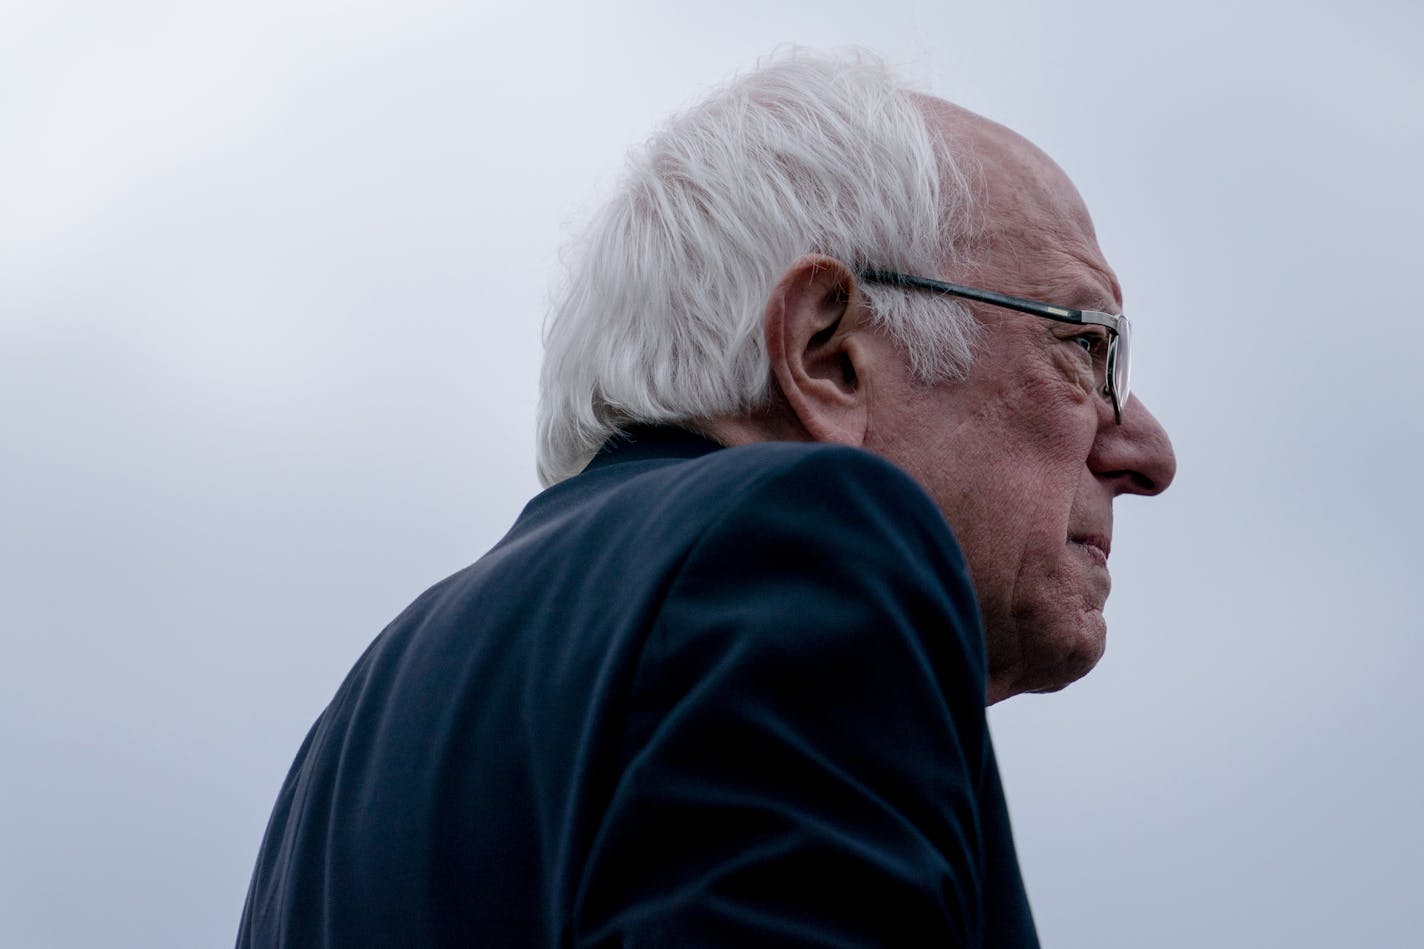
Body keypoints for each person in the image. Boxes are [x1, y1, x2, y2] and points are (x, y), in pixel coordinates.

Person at [238, 50, 1175, 947]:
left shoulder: (351, 746)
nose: (1147, 452)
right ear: (828, 355)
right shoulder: (808, 546)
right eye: (1087, 348)